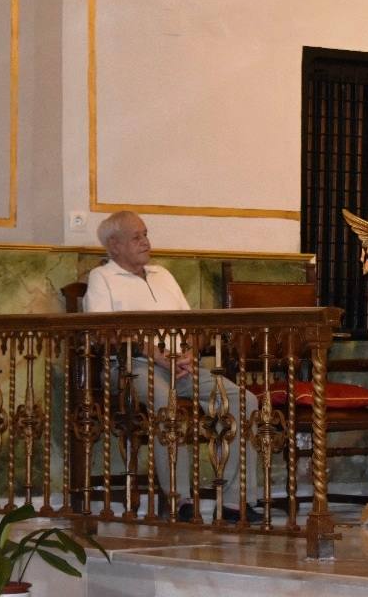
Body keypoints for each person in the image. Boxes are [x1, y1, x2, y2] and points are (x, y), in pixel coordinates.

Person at [84, 211, 260, 523]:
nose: (146, 242)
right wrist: (155, 353)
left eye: (146, 234)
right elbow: (103, 334)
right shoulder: (102, 278)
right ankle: (181, 501)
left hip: (183, 367)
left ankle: (235, 502)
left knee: (245, 401)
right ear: (113, 245)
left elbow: (191, 322)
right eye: (136, 236)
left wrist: (189, 351)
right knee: (165, 403)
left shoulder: (162, 274)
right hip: (131, 368)